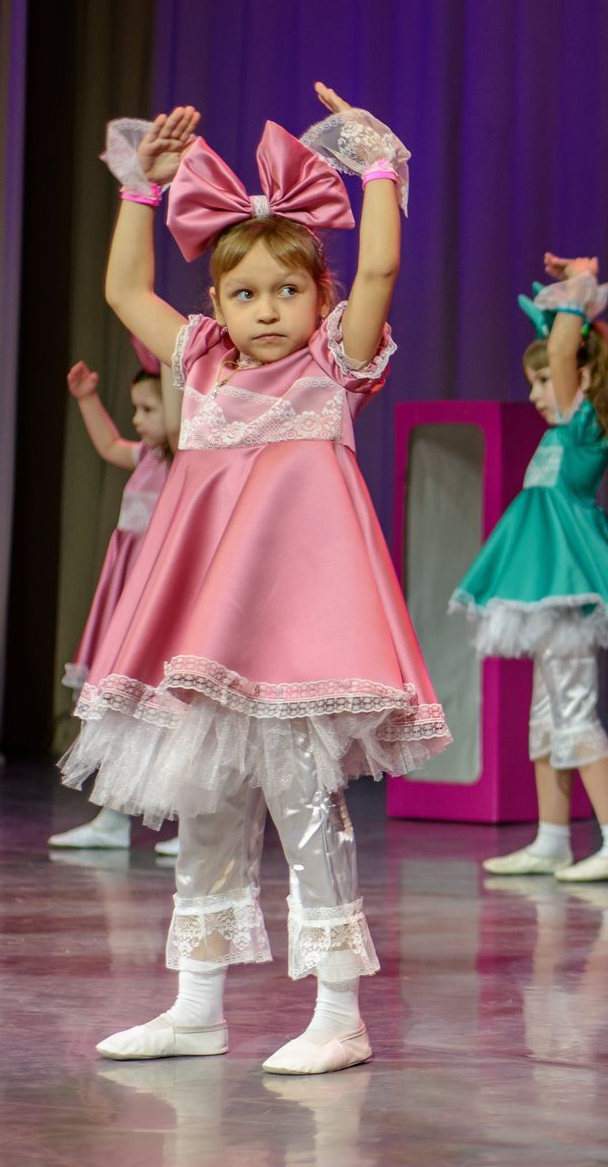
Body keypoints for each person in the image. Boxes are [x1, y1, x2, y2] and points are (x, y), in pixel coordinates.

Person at [64, 86, 448, 1074]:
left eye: (287, 290)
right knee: (206, 804)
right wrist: (141, 193)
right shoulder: (200, 362)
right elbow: (124, 293)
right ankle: (196, 1005)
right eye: (244, 293)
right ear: (217, 303)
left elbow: (383, 266)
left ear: (320, 296)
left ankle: (338, 1012)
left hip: (298, 628)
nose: (266, 310)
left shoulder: (334, 363)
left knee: (305, 804)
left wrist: (377, 163)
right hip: (210, 623)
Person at [453, 256, 608, 883]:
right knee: (546, 716)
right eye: (535, 382)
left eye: (546, 379)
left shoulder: (582, 423)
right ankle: (551, 840)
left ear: (582, 376)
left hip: (567, 586)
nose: (538, 394)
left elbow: (567, 347)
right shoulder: (557, 434)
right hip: (547, 585)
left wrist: (575, 289)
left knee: (573, 712)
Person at [49, 357, 179, 854]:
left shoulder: (186, 462)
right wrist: (86, 398)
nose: (138, 419)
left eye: (149, 409)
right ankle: (112, 819)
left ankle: (198, 829)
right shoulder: (148, 457)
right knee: (123, 704)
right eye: (136, 408)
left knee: (170, 710)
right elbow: (108, 446)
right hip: (129, 591)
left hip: (160, 596)